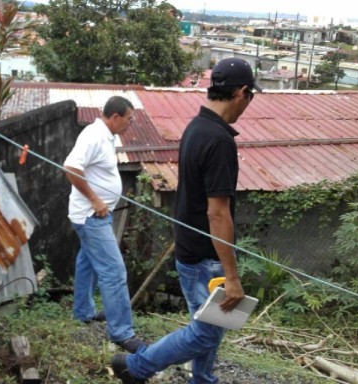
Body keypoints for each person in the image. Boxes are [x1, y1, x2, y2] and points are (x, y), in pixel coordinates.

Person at [111, 58, 261, 384]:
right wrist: (232, 276)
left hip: (190, 249)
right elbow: (217, 212)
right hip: (205, 257)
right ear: (242, 92)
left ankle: (202, 379)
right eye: (251, 97)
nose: (248, 104)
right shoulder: (219, 141)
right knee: (205, 333)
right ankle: (136, 368)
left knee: (212, 324)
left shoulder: (197, 126)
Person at [64, 96, 145, 353]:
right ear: (115, 116)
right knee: (114, 272)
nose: (131, 124)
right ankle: (122, 332)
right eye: (129, 119)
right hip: (90, 215)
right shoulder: (93, 135)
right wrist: (95, 199)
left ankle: (83, 311)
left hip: (96, 214)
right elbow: (71, 168)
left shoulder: (107, 135)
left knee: (87, 262)